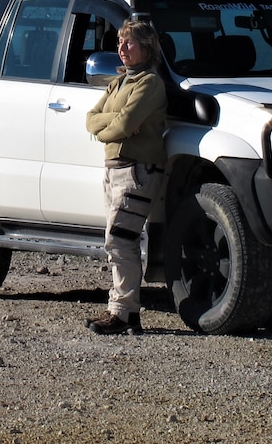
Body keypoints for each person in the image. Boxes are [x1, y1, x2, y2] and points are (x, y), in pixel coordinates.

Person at [84, 17, 167, 335]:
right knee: (119, 241)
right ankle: (126, 313)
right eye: (119, 42)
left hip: (137, 171)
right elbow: (91, 119)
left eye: (129, 42)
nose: (121, 48)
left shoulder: (149, 83)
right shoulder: (118, 83)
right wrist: (114, 124)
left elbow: (121, 123)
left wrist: (112, 128)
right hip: (114, 169)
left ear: (146, 47)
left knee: (119, 240)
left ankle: (122, 312)